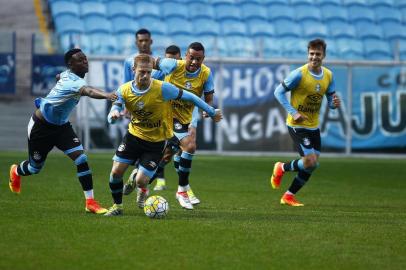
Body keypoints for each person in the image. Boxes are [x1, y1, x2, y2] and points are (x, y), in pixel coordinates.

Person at [104, 54, 222, 216]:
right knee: (116, 173)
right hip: (133, 137)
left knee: (141, 180)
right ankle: (117, 207)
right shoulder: (124, 89)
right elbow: (116, 106)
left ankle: (143, 189)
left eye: (148, 72)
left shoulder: (162, 88)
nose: (145, 75)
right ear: (133, 70)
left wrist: (211, 111)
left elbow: (191, 97)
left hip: (156, 142)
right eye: (141, 72)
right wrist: (113, 115)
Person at [8, 48, 117, 214]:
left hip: (62, 128)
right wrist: (107, 95)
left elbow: (60, 76)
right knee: (34, 168)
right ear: (70, 65)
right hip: (41, 128)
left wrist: (58, 82)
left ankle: (90, 202)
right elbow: (87, 91)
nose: (85, 62)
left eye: (85, 59)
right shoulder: (74, 82)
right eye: (80, 60)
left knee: (81, 159)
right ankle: (16, 171)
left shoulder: (67, 75)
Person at [271, 39, 341, 206]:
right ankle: (281, 167)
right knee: (310, 161)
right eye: (311, 54)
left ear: (324, 55)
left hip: (313, 125)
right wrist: (293, 112)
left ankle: (288, 196)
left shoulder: (328, 75)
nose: (314, 57)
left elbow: (331, 99)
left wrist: (334, 104)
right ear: (307, 54)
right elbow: (278, 92)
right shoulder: (299, 74)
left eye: (318, 54)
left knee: (312, 165)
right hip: (297, 125)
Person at [122, 45, 200, 193]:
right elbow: (140, 87)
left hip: (178, 120)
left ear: (180, 60)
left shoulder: (185, 76)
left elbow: (192, 100)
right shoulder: (157, 74)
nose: (170, 64)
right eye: (168, 60)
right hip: (161, 121)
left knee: (167, 157)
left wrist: (193, 123)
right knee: (166, 154)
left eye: (174, 60)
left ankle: (139, 176)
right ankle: (152, 182)